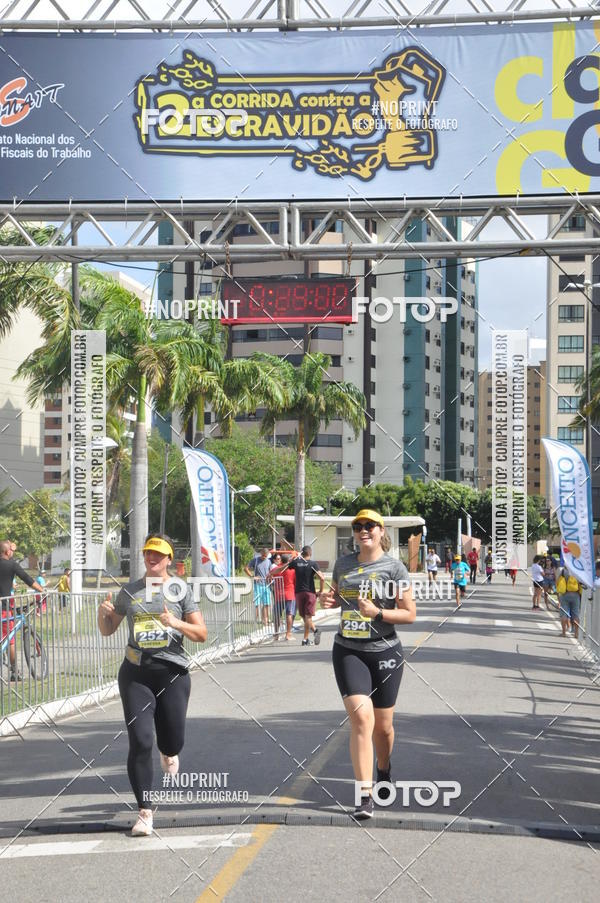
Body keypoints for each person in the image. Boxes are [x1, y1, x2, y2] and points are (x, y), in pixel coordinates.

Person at [97, 533, 207, 837]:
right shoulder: (129, 591)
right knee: (141, 741)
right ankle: (145, 811)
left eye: (158, 554)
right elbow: (108, 630)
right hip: (136, 674)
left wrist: (176, 623)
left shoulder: (180, 591)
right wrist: (102, 616)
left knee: (171, 741)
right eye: (148, 553)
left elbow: (201, 633)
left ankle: (169, 752)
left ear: (170, 559)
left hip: (172, 674)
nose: (152, 558)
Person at [321, 509, 416, 819]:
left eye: (370, 526)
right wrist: (330, 601)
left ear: (380, 530)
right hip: (348, 650)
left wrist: (376, 612)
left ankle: (383, 768)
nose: (364, 530)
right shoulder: (344, 564)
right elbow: (338, 596)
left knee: (384, 728)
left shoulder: (395, 568)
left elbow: (409, 614)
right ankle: (364, 796)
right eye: (358, 526)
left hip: (385, 651)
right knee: (362, 721)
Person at [0, 540, 43, 680]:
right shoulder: (12, 565)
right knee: (10, 641)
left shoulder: (8, 559)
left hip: (5, 607)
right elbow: (27, 579)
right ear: (7, 552)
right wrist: (42, 591)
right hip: (4, 608)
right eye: (11, 551)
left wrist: (9, 548)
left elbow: (6, 552)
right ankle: (14, 672)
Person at [273, 546, 325, 646]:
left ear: (302, 553)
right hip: (310, 592)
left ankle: (307, 637)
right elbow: (322, 578)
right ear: (310, 553)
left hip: (299, 593)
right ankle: (313, 632)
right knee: (307, 617)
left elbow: (282, 568)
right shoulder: (313, 564)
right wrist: (320, 591)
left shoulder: (296, 563)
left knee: (304, 616)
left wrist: (272, 572)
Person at [244, 548, 272, 627]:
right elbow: (246, 568)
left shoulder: (269, 561)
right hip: (258, 585)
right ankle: (255, 621)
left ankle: (265, 620)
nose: (264, 557)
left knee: (266, 604)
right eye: (263, 555)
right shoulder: (255, 560)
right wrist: (253, 576)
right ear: (261, 553)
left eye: (265, 556)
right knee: (257, 604)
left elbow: (271, 572)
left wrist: (270, 577)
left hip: (266, 585)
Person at [556, 568, 582, 639]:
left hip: (565, 594)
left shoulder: (563, 571)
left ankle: (564, 632)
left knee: (564, 613)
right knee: (576, 614)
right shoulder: (577, 570)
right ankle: (576, 633)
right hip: (576, 595)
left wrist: (558, 595)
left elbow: (558, 582)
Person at [279, 554, 296, 641]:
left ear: (281, 560)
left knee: (277, 614)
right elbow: (296, 581)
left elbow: (270, 576)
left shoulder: (278, 569)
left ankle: (276, 634)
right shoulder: (292, 570)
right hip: (290, 594)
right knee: (289, 614)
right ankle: (288, 634)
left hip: (279, 594)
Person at [268, 553, 285, 640]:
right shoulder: (273, 566)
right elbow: (272, 574)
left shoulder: (282, 567)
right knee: (277, 612)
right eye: (277, 559)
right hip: (278, 592)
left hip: (284, 593)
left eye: (280, 559)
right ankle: (276, 632)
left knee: (284, 613)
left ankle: (282, 631)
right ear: (274, 560)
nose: (279, 560)